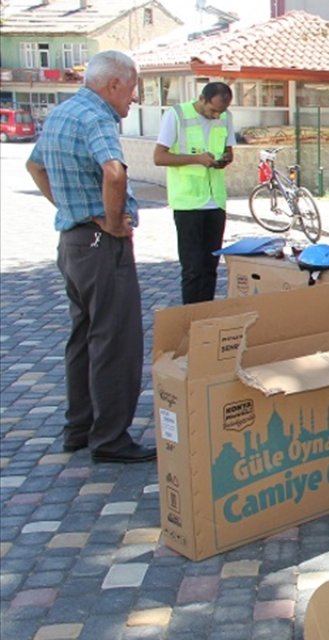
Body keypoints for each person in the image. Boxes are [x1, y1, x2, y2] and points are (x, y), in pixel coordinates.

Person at [24, 50, 155, 464]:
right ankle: (111, 438)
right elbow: (114, 172)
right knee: (115, 341)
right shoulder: (97, 116)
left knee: (83, 337)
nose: (133, 98)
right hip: (101, 245)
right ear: (113, 84)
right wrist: (111, 221)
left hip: (74, 242)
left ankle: (79, 427)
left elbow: (34, 165)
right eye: (132, 88)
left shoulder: (64, 112)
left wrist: (69, 208)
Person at [153, 82, 235, 304]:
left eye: (221, 111)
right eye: (213, 110)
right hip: (188, 202)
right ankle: (190, 316)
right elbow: (159, 157)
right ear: (202, 98)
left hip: (215, 201)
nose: (216, 115)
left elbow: (229, 150)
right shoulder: (177, 115)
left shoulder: (225, 117)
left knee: (210, 267)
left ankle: (205, 316)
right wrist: (197, 159)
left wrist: (224, 159)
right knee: (192, 268)